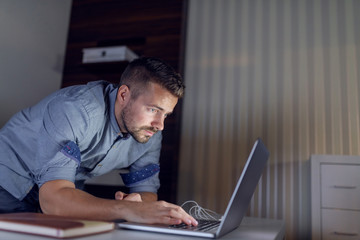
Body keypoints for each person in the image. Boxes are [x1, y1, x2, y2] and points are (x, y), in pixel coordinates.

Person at [0, 57, 198, 226]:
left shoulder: (150, 131)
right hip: (9, 180)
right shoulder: (75, 110)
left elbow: (146, 191)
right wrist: (126, 209)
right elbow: (53, 201)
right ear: (123, 95)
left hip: (61, 190)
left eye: (166, 114)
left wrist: (137, 203)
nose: (160, 124)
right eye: (153, 109)